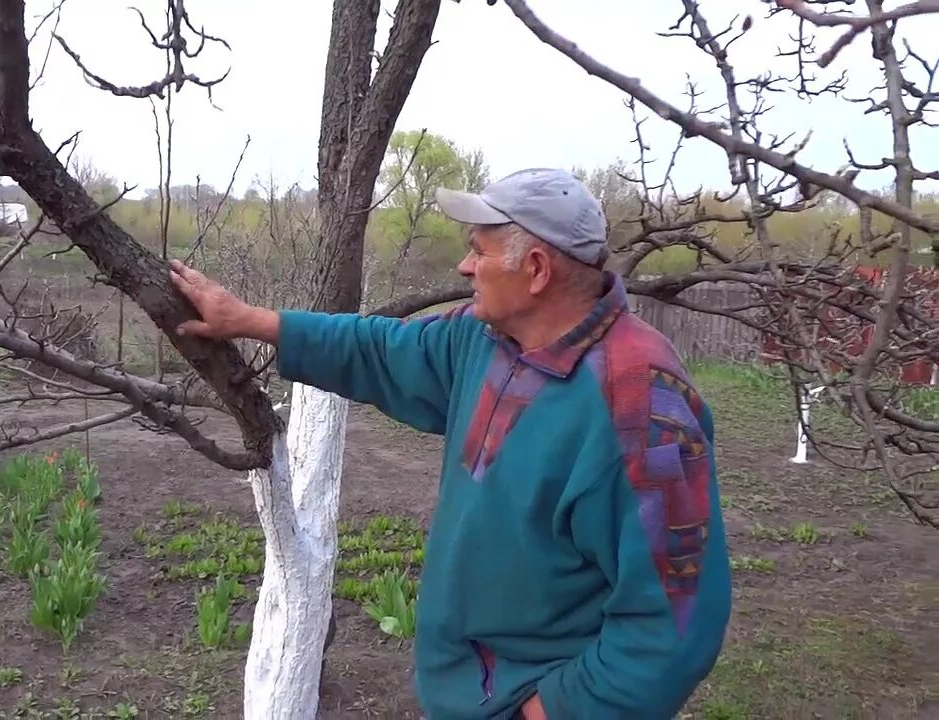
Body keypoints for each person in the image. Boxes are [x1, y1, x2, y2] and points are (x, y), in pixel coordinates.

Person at [169, 167, 732, 719]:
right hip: (469, 692)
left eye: (479, 252)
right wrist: (249, 320)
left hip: (527, 700)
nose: (464, 267)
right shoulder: (484, 340)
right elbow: (379, 350)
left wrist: (552, 710)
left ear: (535, 270)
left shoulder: (641, 409)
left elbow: (673, 622)